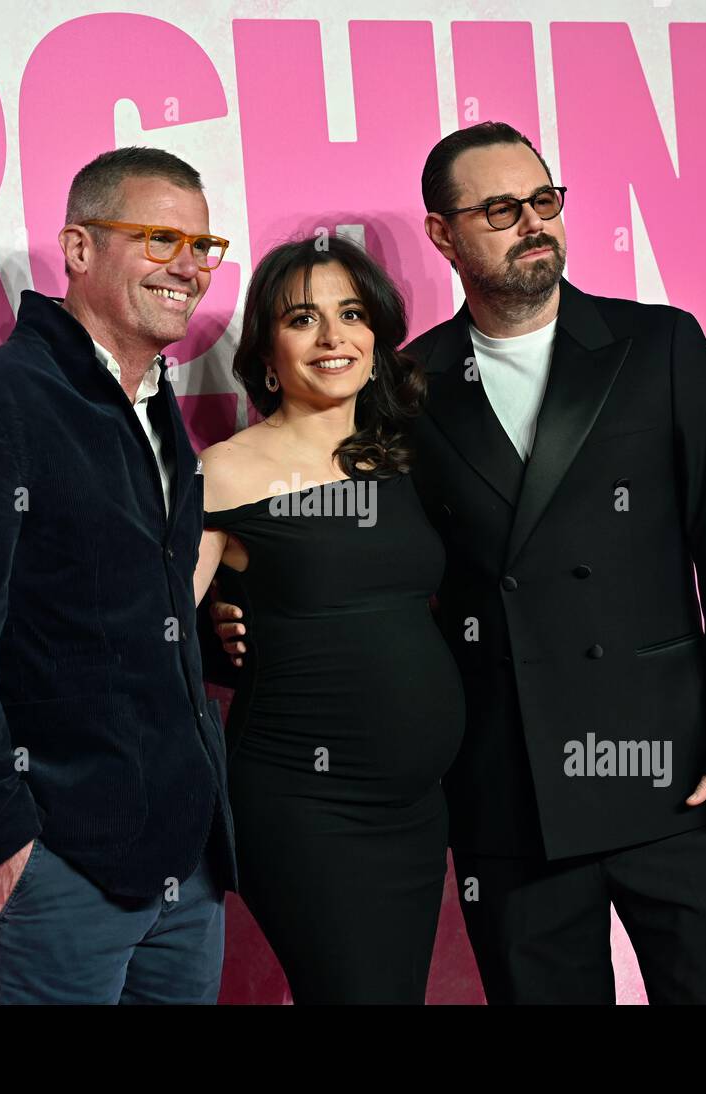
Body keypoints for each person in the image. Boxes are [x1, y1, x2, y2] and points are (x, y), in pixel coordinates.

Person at [207, 122, 706, 1004]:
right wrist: (233, 626)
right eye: (499, 209)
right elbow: (346, 564)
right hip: (507, 792)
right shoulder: (404, 387)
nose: (533, 223)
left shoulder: (661, 345)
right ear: (443, 235)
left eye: (544, 201)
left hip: (677, 776)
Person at [0, 146, 236, 1004]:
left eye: (203, 246)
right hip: (56, 872)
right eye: (160, 238)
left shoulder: (159, 409)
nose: (188, 266)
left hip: (186, 875)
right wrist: (2, 843)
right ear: (79, 249)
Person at [194, 235, 465, 1004]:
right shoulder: (225, 469)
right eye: (303, 319)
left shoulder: (406, 458)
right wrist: (220, 625)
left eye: (350, 315)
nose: (333, 338)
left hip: (417, 809)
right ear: (268, 351)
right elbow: (153, 631)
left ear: (376, 338)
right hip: (304, 806)